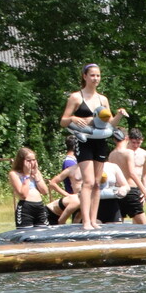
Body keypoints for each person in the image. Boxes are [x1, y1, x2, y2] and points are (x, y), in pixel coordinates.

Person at [58, 64, 126, 231]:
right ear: (85, 76)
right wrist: (73, 118)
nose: (96, 78)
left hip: (99, 142)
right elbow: (63, 121)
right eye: (92, 75)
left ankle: (94, 220)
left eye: (98, 75)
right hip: (84, 141)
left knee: (97, 182)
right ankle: (86, 221)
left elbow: (110, 124)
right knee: (87, 181)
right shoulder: (76, 97)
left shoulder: (103, 99)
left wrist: (119, 115)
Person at [108, 129, 146, 224]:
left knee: (121, 223)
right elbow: (132, 173)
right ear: (127, 139)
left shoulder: (144, 154)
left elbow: (145, 174)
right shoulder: (126, 153)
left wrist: (145, 190)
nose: (135, 145)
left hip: (128, 189)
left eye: (138, 143)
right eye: (133, 142)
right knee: (144, 225)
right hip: (129, 189)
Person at [9, 148, 52, 228]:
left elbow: (45, 191)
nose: (32, 163)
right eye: (28, 161)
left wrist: (36, 176)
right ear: (21, 161)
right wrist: (27, 175)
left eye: (34, 160)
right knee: (26, 233)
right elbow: (23, 195)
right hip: (26, 208)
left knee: (43, 231)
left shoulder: (36, 172)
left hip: (39, 206)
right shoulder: (14, 174)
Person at [48, 137, 82, 223]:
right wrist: (67, 195)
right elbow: (53, 183)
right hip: (74, 199)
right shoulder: (70, 163)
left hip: (79, 199)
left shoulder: (75, 163)